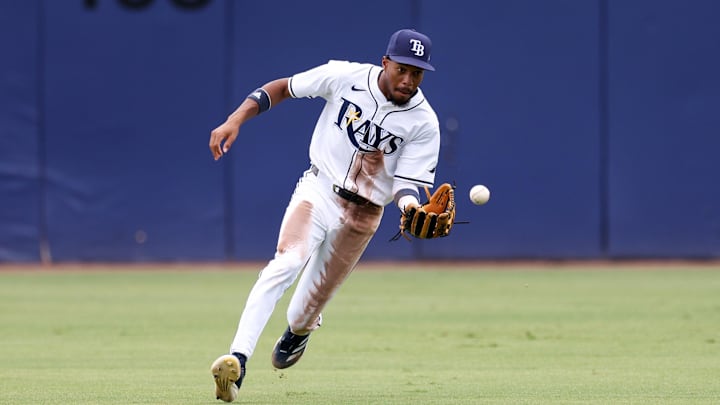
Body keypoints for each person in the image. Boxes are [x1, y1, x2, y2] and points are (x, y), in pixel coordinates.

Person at [208, 28, 441, 402]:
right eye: (402, 69)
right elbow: (283, 87)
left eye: (418, 73)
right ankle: (238, 360)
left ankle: (299, 332)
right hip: (319, 191)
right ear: (385, 63)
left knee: (301, 313)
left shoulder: (424, 122)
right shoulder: (346, 77)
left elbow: (406, 185)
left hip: (362, 218)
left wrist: (412, 209)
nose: (409, 80)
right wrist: (236, 118)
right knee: (285, 264)